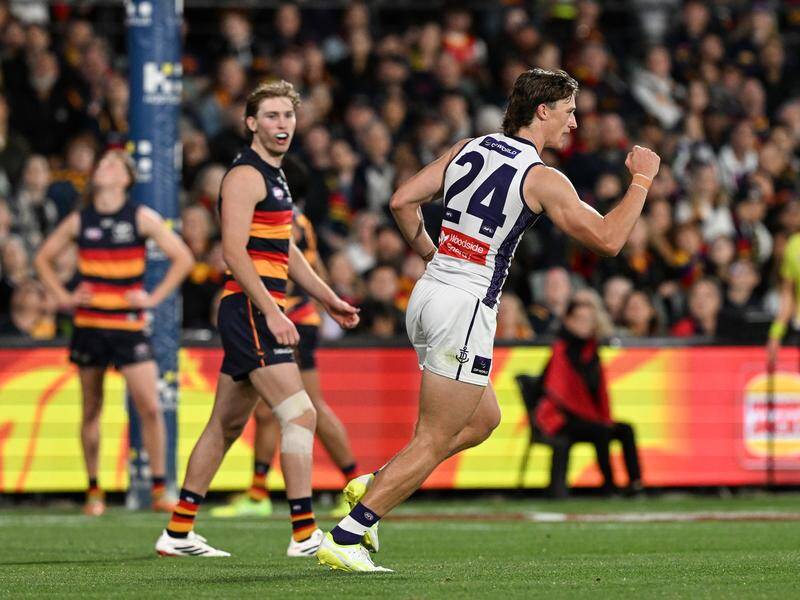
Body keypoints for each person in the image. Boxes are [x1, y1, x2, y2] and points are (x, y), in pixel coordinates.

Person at [316, 68, 660, 572]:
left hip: (429, 292)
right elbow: (609, 240)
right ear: (542, 111)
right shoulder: (541, 176)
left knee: (482, 420)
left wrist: (429, 250)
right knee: (433, 436)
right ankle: (349, 533)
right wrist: (643, 179)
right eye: (568, 111)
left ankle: (376, 484)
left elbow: (400, 200)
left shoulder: (469, 146)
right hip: (466, 305)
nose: (574, 123)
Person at [154, 81, 359, 558]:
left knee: (224, 425)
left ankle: (178, 532)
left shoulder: (277, 175)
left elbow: (284, 248)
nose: (282, 124)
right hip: (250, 308)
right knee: (300, 413)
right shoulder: (246, 175)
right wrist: (271, 310)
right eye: (271, 115)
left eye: (288, 115)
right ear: (251, 123)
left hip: (255, 307)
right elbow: (232, 251)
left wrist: (328, 299)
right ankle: (305, 534)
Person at [34, 149, 195, 516]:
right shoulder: (80, 219)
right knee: (92, 409)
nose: (101, 168)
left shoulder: (140, 216)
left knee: (150, 406)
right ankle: (94, 490)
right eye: (101, 163)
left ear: (125, 178)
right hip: (90, 325)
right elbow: (42, 257)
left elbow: (183, 257)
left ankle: (159, 488)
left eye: (111, 164)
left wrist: (152, 297)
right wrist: (64, 297)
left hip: (127, 326)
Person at [210, 208, 360, 519]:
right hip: (292, 316)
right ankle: (262, 491)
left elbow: (282, 270)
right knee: (285, 408)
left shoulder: (281, 218)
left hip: (287, 317)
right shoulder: (295, 217)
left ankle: (263, 493)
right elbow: (309, 264)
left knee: (292, 407)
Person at [534, 299, 643, 498]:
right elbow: (559, 393)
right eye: (580, 319)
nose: (585, 325)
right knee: (600, 431)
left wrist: (602, 417)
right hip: (562, 420)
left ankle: (635, 484)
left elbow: (600, 392)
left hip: (589, 418)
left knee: (626, 429)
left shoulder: (592, 351)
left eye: (589, 320)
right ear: (568, 321)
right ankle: (610, 486)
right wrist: (594, 418)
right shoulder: (561, 350)